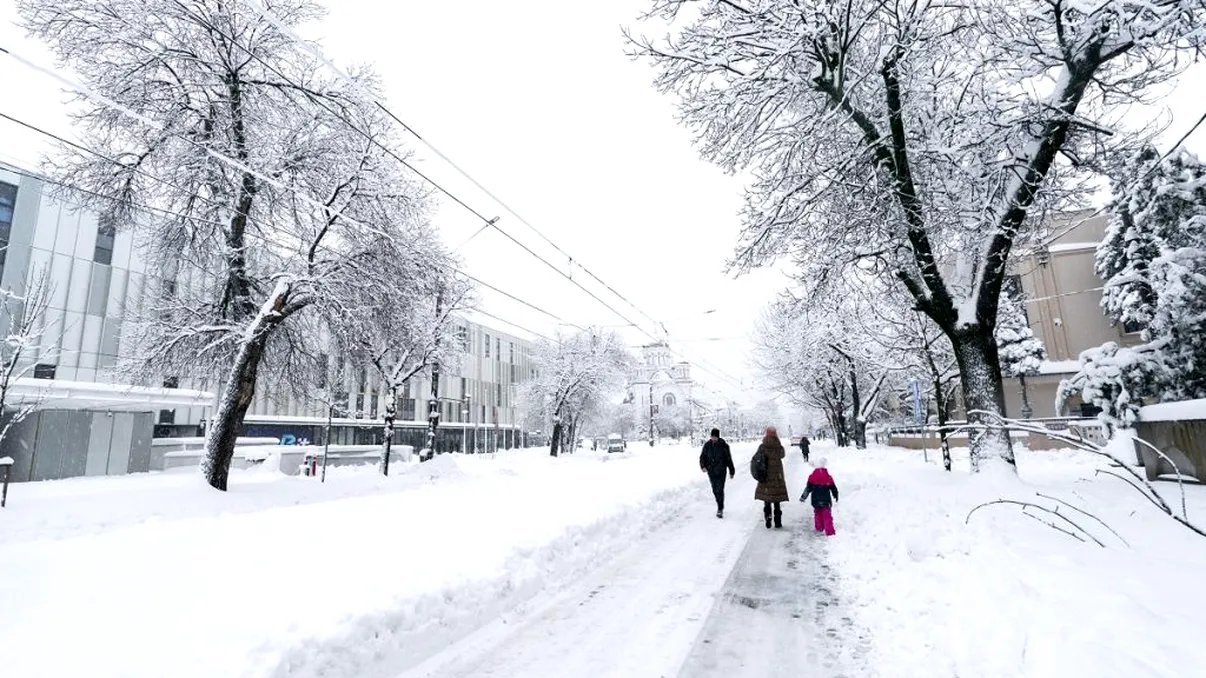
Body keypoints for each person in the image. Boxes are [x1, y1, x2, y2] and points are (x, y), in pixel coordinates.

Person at [754, 427, 790, 529]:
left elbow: (756, 459)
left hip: (765, 476)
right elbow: (782, 455)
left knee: (767, 499)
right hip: (777, 476)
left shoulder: (762, 446)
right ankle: (778, 521)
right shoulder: (778, 445)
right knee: (777, 500)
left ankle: (768, 517)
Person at [699, 428, 735, 518]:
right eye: (712, 436)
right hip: (711, 471)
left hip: (721, 471)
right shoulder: (707, 445)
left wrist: (731, 470)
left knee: (719, 489)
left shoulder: (724, 446)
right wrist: (703, 466)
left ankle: (720, 508)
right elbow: (702, 456)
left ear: (718, 437)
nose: (713, 438)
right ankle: (719, 504)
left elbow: (728, 459)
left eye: (715, 437)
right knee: (715, 490)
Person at [801, 457, 839, 536]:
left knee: (817, 514)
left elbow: (808, 488)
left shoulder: (812, 477)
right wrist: (836, 494)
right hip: (826, 499)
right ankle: (830, 531)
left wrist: (803, 497)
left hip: (815, 499)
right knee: (827, 515)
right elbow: (833, 487)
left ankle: (819, 527)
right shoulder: (828, 477)